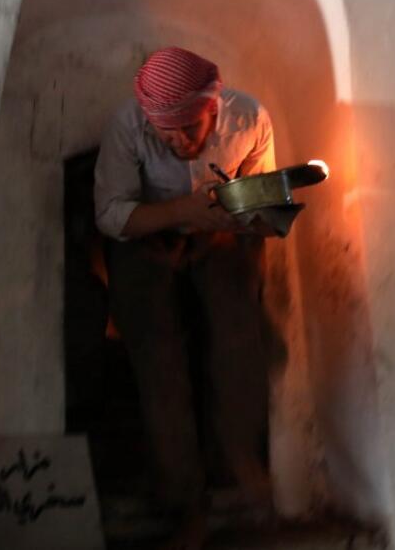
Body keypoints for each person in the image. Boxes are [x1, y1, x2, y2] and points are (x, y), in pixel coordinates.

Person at [93, 47, 275, 550]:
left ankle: (243, 472)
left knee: (240, 340)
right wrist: (182, 210)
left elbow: (261, 198)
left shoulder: (250, 118)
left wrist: (245, 214)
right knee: (158, 359)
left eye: (189, 128)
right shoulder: (128, 126)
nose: (178, 140)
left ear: (213, 107)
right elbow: (111, 216)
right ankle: (184, 505)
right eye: (165, 132)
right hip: (144, 237)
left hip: (218, 232)